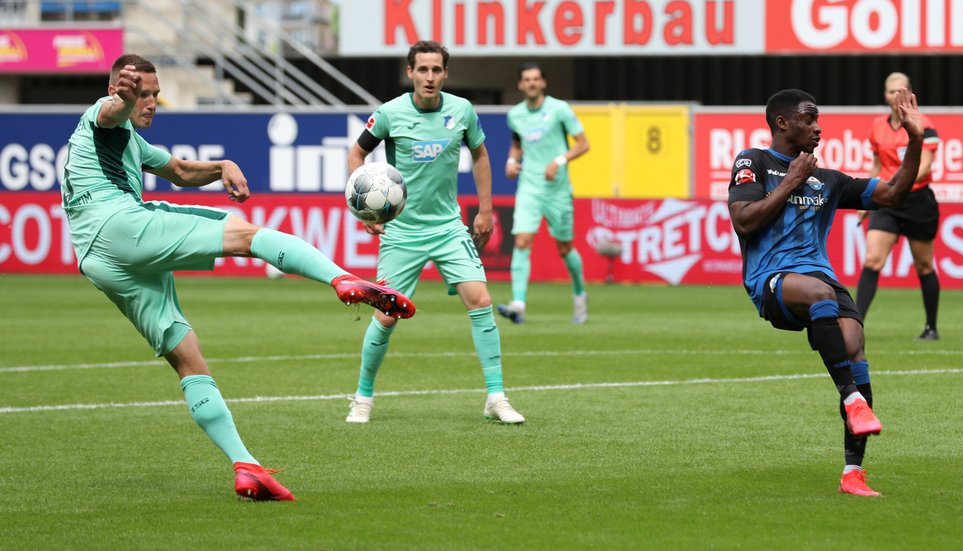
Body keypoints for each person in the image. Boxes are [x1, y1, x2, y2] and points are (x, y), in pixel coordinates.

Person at [61, 54, 415, 502]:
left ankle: (245, 466)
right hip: (118, 224)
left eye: (154, 94)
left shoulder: (130, 141)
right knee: (247, 235)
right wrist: (120, 99)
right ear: (118, 88)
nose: (150, 102)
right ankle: (345, 280)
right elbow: (110, 112)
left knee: (188, 360)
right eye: (142, 93)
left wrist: (222, 165)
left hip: (97, 259)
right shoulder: (100, 115)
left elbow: (182, 172)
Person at [727, 87, 926, 497]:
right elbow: (744, 220)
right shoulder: (754, 161)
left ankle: (853, 473)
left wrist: (916, 140)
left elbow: (893, 194)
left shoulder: (829, 181)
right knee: (820, 294)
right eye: (808, 118)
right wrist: (792, 181)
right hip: (772, 280)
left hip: (821, 279)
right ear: (782, 122)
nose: (818, 127)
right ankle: (851, 399)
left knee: (854, 344)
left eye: (818, 119)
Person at [344, 40, 524, 425]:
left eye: (436, 70)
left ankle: (496, 396)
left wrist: (486, 209)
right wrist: (363, 208)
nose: (429, 77)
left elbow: (480, 155)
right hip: (402, 231)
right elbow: (356, 154)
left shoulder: (462, 111)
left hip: (447, 227)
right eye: (422, 69)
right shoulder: (390, 113)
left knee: (480, 300)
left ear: (446, 73)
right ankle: (362, 397)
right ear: (410, 72)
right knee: (387, 316)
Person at [496, 62, 590, 325]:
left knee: (564, 248)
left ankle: (580, 294)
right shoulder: (515, 115)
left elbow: (583, 144)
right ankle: (518, 304)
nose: (532, 83)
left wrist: (558, 161)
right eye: (527, 79)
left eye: (536, 79)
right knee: (522, 241)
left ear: (544, 83)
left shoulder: (559, 109)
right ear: (520, 85)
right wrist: (510, 162)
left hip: (558, 189)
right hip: (529, 187)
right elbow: (517, 145)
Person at [855, 73, 942, 340]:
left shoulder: (924, 125)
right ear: (885, 94)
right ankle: (855, 325)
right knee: (872, 259)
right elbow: (877, 165)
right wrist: (866, 199)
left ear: (908, 92)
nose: (894, 97)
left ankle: (931, 327)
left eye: (898, 91)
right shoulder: (877, 126)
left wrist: (897, 183)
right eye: (890, 91)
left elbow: (925, 164)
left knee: (924, 265)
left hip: (917, 200)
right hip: (888, 200)